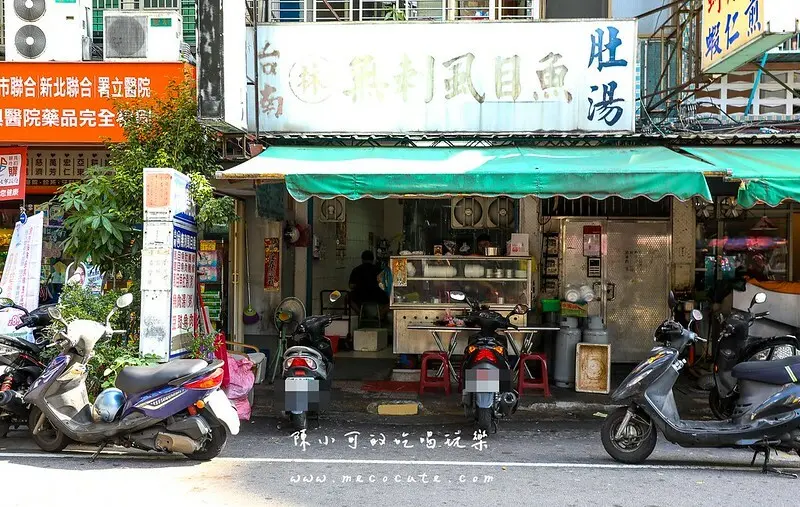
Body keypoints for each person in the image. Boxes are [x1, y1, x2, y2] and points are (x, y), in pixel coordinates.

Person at [348, 250, 389, 316]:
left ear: (362, 259)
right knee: (391, 302)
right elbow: (385, 284)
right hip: (378, 295)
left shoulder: (356, 270)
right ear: (373, 259)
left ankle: (360, 314)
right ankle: (380, 315)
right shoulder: (379, 270)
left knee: (347, 298)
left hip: (360, 296)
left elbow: (351, 285)